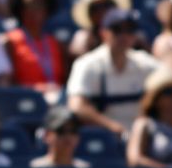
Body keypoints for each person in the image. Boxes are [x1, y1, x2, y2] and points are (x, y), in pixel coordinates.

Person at [65, 8, 162, 139]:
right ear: (104, 33)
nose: (124, 35)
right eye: (117, 29)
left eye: (130, 30)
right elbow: (77, 107)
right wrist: (113, 128)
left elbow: (171, 78)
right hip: (103, 137)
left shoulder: (143, 62)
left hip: (142, 137)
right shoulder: (87, 64)